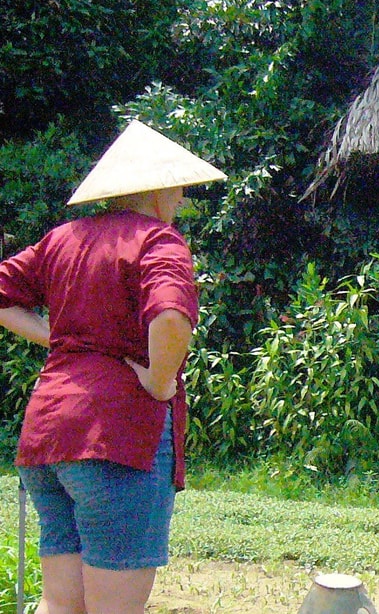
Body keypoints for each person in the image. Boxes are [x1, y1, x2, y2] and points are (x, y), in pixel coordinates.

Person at [0, 120, 225, 614]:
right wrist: (160, 380)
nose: (183, 200)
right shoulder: (159, 241)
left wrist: (57, 336)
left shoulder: (62, 239)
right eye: (181, 189)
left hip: (48, 435)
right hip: (116, 439)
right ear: (160, 190)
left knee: (62, 603)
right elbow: (170, 315)